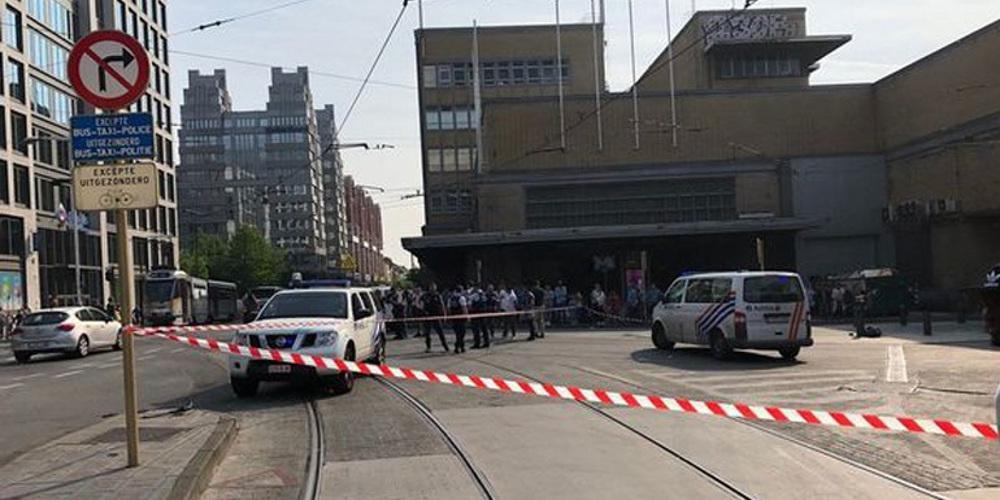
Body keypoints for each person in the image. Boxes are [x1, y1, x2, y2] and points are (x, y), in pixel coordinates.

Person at [421, 283, 449, 353]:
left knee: (440, 332)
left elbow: (442, 305)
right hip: (427, 316)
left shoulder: (438, 295)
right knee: (427, 333)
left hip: (436, 316)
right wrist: (423, 310)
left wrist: (444, 315)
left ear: (435, 288)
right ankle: (428, 347)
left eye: (433, 288)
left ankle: (445, 346)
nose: (432, 289)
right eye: (431, 287)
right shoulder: (425, 295)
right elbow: (421, 303)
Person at [447, 285, 469, 353]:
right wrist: (467, 316)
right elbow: (464, 308)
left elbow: (448, 309)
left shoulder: (450, 298)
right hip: (461, 318)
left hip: (454, 318)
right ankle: (459, 347)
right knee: (462, 333)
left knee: (457, 333)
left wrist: (450, 318)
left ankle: (460, 347)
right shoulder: (462, 298)